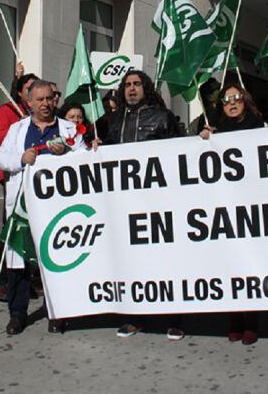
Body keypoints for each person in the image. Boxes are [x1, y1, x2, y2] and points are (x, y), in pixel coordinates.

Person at [0, 80, 85, 335]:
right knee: (19, 262)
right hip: (24, 206)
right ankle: (17, 314)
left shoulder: (69, 129)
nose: (45, 104)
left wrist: (65, 155)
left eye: (49, 99)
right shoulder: (17, 129)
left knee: (54, 260)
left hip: (57, 207)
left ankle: (56, 313)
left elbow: (83, 158)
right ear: (30, 103)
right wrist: (20, 159)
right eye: (40, 100)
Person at [100, 70, 183, 339]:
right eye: (127, 85)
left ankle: (174, 319)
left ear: (145, 87)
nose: (132, 89)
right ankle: (133, 317)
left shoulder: (162, 117)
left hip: (157, 202)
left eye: (136, 84)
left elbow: (179, 154)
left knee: (165, 262)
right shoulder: (112, 120)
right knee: (131, 262)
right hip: (124, 204)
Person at [199, 83, 265, 344]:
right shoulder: (216, 131)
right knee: (230, 265)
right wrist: (205, 140)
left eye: (237, 97)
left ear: (245, 100)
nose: (232, 102)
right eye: (226, 100)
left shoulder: (257, 127)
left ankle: (251, 321)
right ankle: (234, 319)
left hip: (250, 202)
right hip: (224, 204)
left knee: (249, 263)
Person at [0, 70, 38, 299]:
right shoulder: (9, 111)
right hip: (14, 177)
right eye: (28, 88)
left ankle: (25, 281)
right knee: (11, 229)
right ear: (20, 92)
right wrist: (18, 128)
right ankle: (1, 279)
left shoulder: (38, 115)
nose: (32, 92)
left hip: (36, 180)